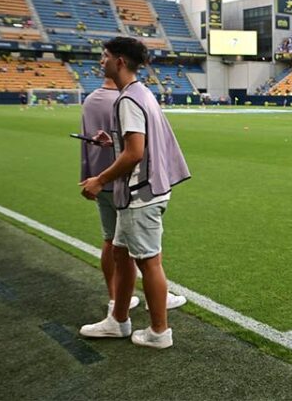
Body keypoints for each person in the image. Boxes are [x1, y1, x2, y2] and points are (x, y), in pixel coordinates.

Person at [79, 37, 191, 349]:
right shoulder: (141, 93)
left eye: (105, 56)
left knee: (149, 262)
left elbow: (135, 153)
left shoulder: (128, 99)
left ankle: (159, 332)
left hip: (139, 195)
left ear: (120, 61)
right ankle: (118, 320)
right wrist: (112, 141)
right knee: (120, 252)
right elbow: (137, 143)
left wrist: (99, 179)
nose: (101, 62)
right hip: (145, 192)